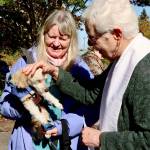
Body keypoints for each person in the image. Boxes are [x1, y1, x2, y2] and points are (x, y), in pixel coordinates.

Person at [22, 0, 150, 149]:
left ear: (116, 34)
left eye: (93, 38)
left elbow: (147, 139)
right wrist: (55, 71)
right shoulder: (121, 59)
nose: (89, 45)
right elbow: (91, 94)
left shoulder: (144, 69)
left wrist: (101, 139)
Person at [0, 9, 94, 150]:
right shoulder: (26, 62)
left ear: (71, 39)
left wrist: (62, 126)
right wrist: (25, 106)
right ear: (43, 35)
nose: (56, 43)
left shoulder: (79, 68)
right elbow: (4, 104)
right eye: (52, 36)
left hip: (67, 142)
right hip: (28, 141)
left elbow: (90, 110)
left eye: (63, 38)